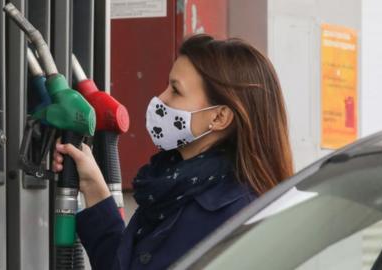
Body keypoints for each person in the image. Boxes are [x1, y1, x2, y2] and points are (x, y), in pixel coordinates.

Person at [53, 34, 293, 269]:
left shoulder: (239, 217)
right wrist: (93, 184)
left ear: (219, 117)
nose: (161, 98)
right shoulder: (173, 186)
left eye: (176, 91)